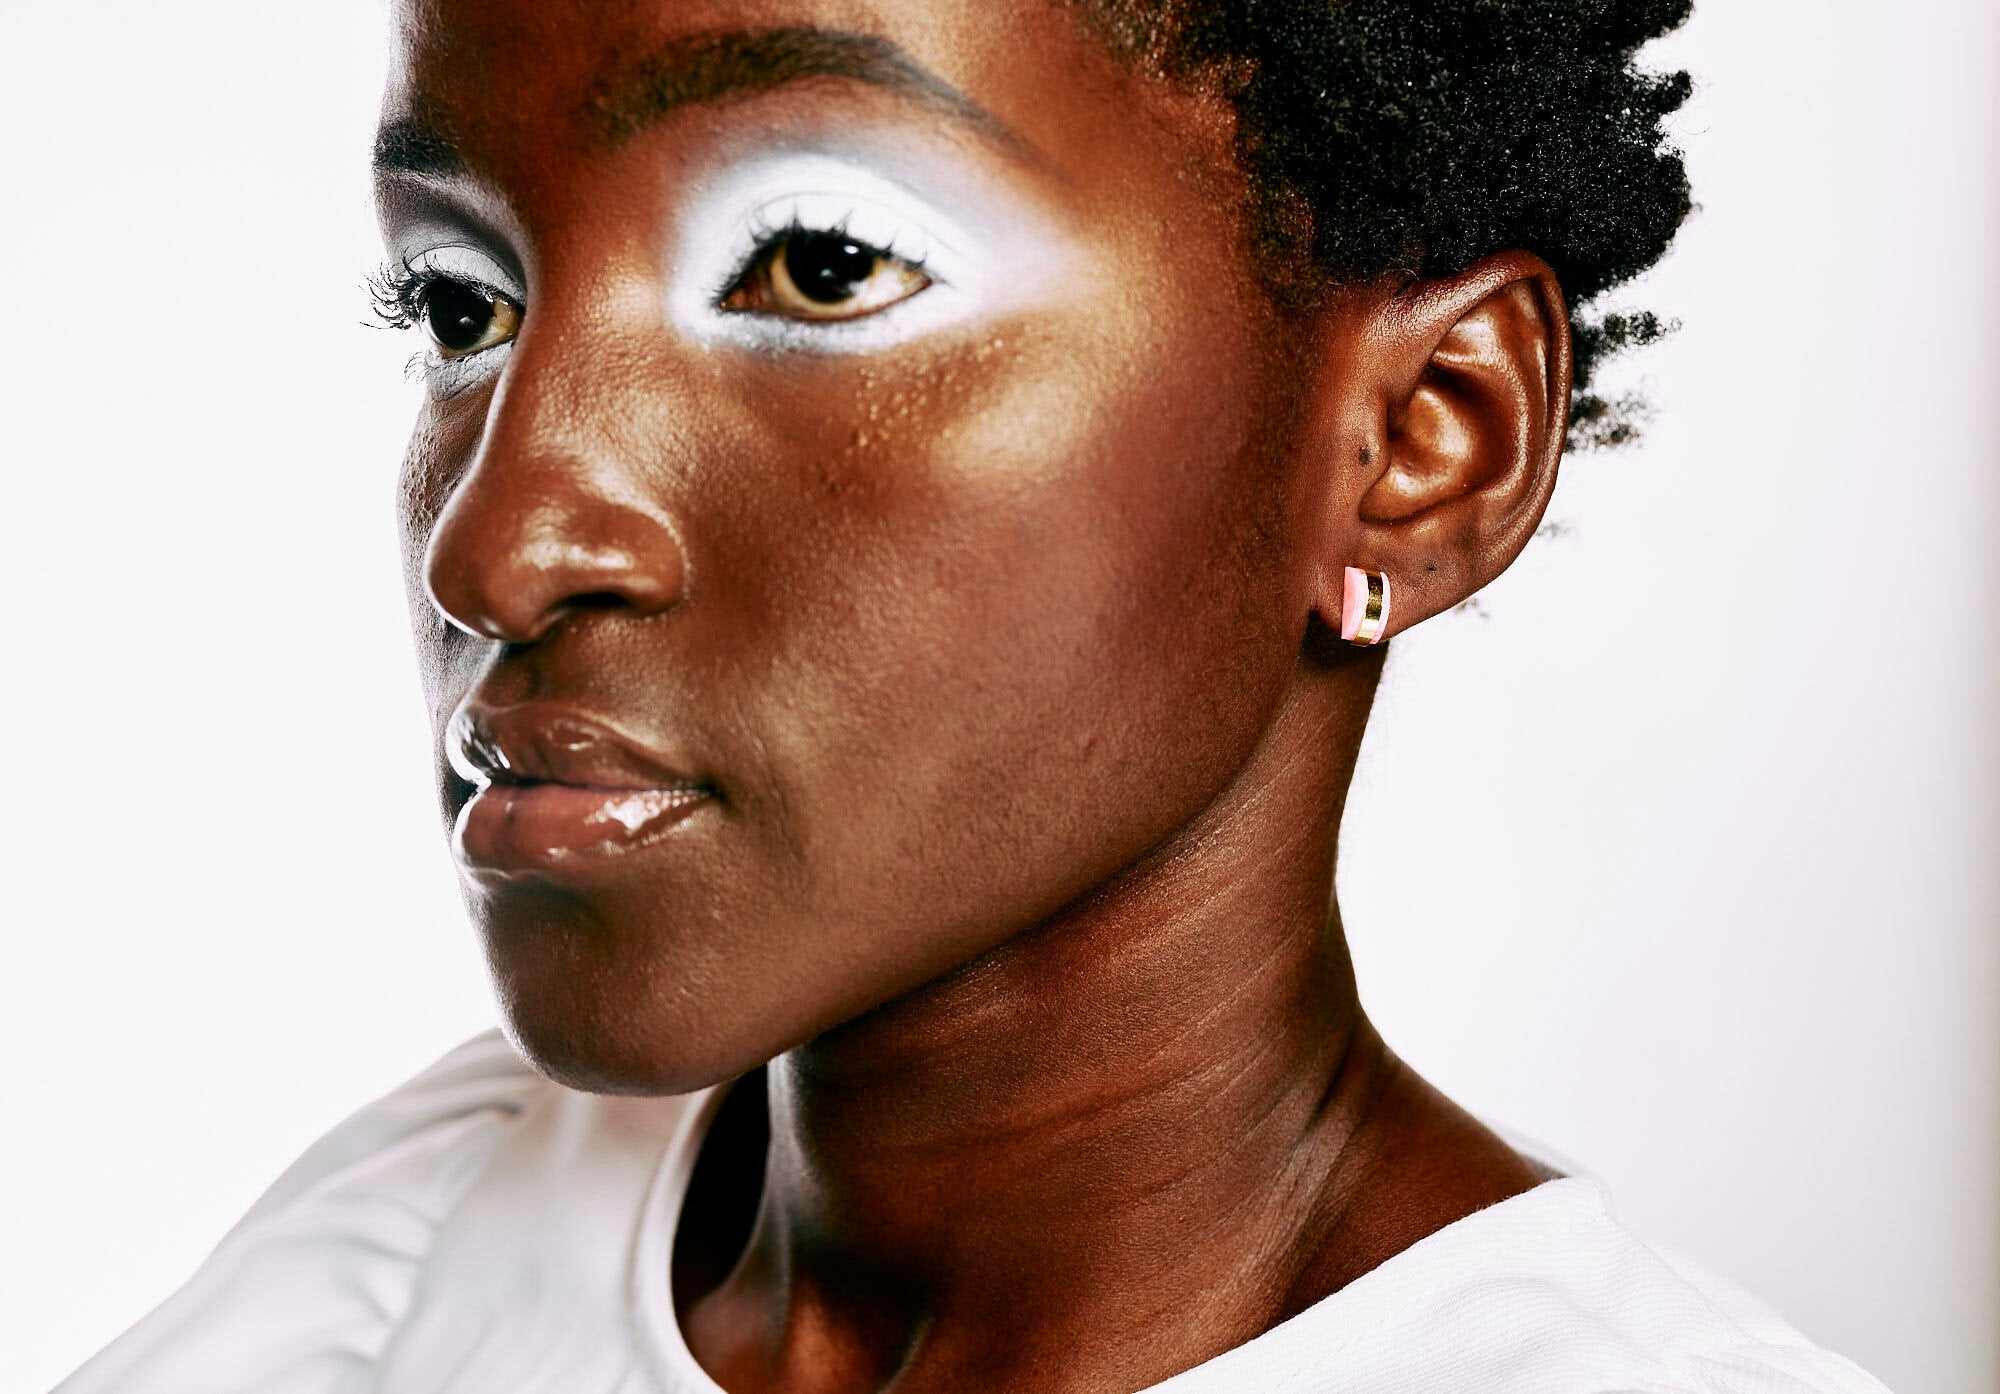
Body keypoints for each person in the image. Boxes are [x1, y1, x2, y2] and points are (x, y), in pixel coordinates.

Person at [57, 1, 1893, 1390]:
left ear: (1422, 440)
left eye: (823, 265)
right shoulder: (403, 1269)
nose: (502, 545)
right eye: (463, 303)